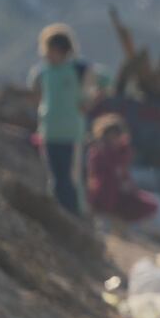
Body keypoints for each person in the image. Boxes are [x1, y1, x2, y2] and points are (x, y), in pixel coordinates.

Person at [29, 23, 94, 215]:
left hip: (71, 133)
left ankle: (76, 215)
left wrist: (89, 100)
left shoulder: (78, 69)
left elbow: (102, 80)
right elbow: (34, 90)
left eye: (53, 51)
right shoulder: (43, 72)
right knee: (55, 176)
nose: (49, 55)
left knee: (70, 178)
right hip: (49, 131)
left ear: (64, 51)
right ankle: (59, 215)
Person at [85, 114, 159, 224]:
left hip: (120, 193)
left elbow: (125, 176)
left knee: (148, 204)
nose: (114, 140)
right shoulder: (98, 153)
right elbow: (95, 177)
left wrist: (128, 186)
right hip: (104, 192)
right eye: (111, 136)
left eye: (116, 136)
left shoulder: (122, 153)